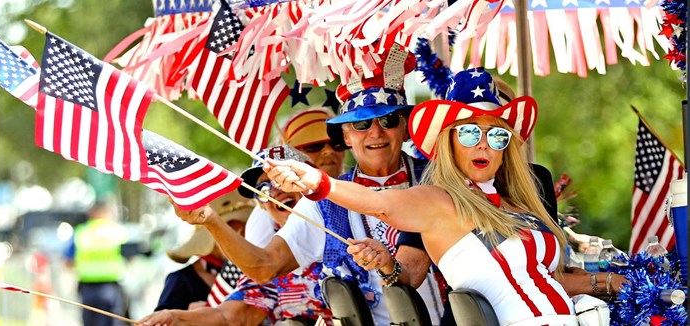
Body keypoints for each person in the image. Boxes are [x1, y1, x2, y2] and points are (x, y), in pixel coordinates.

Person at [264, 68, 581, 325]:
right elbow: (379, 203)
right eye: (470, 133)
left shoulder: (519, 199)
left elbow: (543, 277)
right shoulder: (438, 199)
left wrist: (612, 282)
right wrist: (319, 181)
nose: (483, 144)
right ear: (449, 142)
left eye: (497, 135)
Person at [164, 44, 445, 325]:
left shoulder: (442, 179)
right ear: (346, 137)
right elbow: (265, 267)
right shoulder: (324, 203)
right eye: (360, 124)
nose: (375, 132)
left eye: (388, 119)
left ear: (405, 124)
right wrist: (212, 222)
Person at [138, 145, 333, 325]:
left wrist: (212, 221)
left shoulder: (344, 220)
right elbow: (230, 315)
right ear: (262, 206)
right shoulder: (268, 250)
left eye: (281, 179)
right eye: (263, 190)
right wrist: (175, 317)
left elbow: (264, 267)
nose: (275, 192)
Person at [154, 192, 254, 311]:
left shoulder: (256, 275)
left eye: (246, 232)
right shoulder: (180, 280)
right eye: (233, 233)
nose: (242, 240)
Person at [64, 200, 128, 326]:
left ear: (91, 213)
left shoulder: (81, 232)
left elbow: (68, 262)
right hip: (111, 288)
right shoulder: (117, 231)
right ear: (107, 212)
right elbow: (130, 256)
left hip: (88, 289)